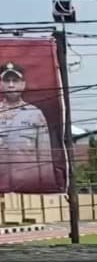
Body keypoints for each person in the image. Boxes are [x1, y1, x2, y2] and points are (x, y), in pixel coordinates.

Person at [0, 61, 55, 193]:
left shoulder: (35, 114)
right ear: (1, 84)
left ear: (23, 84)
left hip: (29, 189)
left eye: (15, 81)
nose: (11, 85)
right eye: (7, 81)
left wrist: (47, 188)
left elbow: (45, 156)